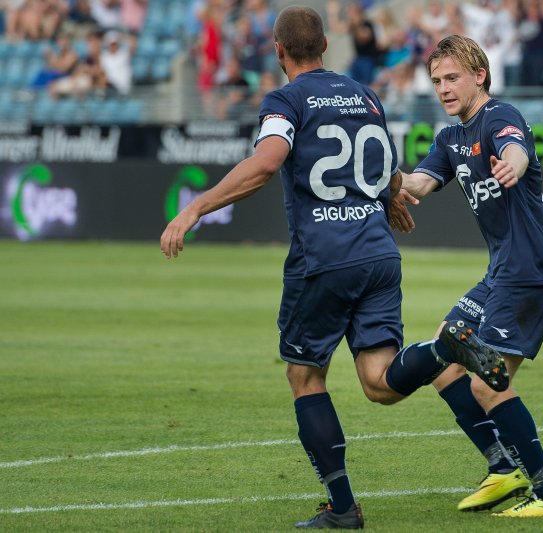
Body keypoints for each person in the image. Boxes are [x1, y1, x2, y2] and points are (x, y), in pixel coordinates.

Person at [161, 7, 509, 529]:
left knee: (304, 375)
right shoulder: (364, 96)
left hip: (324, 259)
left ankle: (343, 508)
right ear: (325, 45)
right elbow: (383, 166)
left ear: (279, 50)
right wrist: (388, 199)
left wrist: (195, 208)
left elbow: (266, 162)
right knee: (379, 381)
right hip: (378, 254)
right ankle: (444, 349)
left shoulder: (285, 100)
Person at [389, 34, 543, 518]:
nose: (443, 89)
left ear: (479, 76)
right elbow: (418, 184)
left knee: (487, 384)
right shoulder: (450, 138)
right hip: (502, 270)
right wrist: (384, 177)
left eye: (452, 78)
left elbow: (516, 150)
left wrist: (511, 167)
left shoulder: (499, 116)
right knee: (443, 356)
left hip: (530, 268)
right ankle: (502, 468)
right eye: (436, 81)